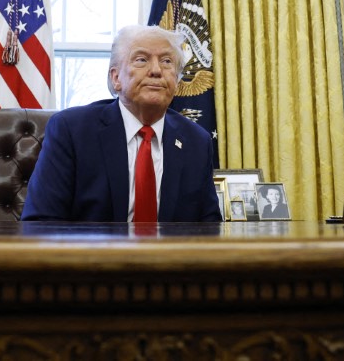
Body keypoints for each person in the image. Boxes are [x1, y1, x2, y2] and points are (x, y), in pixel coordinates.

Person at [21, 25, 222, 222]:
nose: (156, 70)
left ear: (177, 81)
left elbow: (209, 227)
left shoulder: (196, 141)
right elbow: (40, 221)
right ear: (116, 78)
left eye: (167, 61)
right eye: (141, 59)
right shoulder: (71, 131)